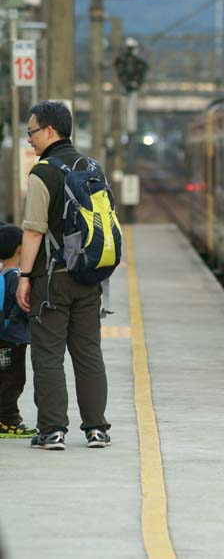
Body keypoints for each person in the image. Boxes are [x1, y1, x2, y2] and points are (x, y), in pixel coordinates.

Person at [16, 100, 111, 451]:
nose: (30, 140)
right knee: (88, 353)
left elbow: (33, 230)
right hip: (89, 277)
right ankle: (97, 429)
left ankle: (52, 430)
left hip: (51, 278)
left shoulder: (43, 171)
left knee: (48, 355)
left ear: (50, 131)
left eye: (32, 132)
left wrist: (24, 276)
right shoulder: (92, 167)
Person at [0, 223, 36, 438]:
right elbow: (25, 307)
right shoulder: (16, 277)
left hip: (4, 338)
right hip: (12, 340)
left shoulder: (3, 274)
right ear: (21, 249)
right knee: (12, 380)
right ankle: (8, 422)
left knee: (4, 379)